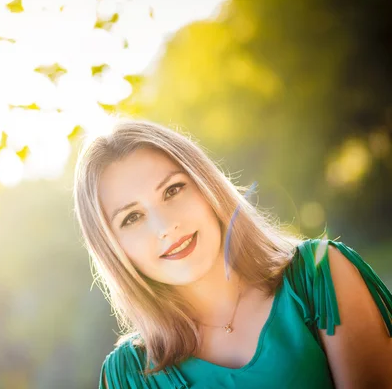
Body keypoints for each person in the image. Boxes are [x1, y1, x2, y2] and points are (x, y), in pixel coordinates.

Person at [72, 119, 392, 388]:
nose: (165, 226)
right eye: (132, 218)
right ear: (112, 248)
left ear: (207, 186)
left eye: (173, 190)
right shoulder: (128, 375)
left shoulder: (320, 277)